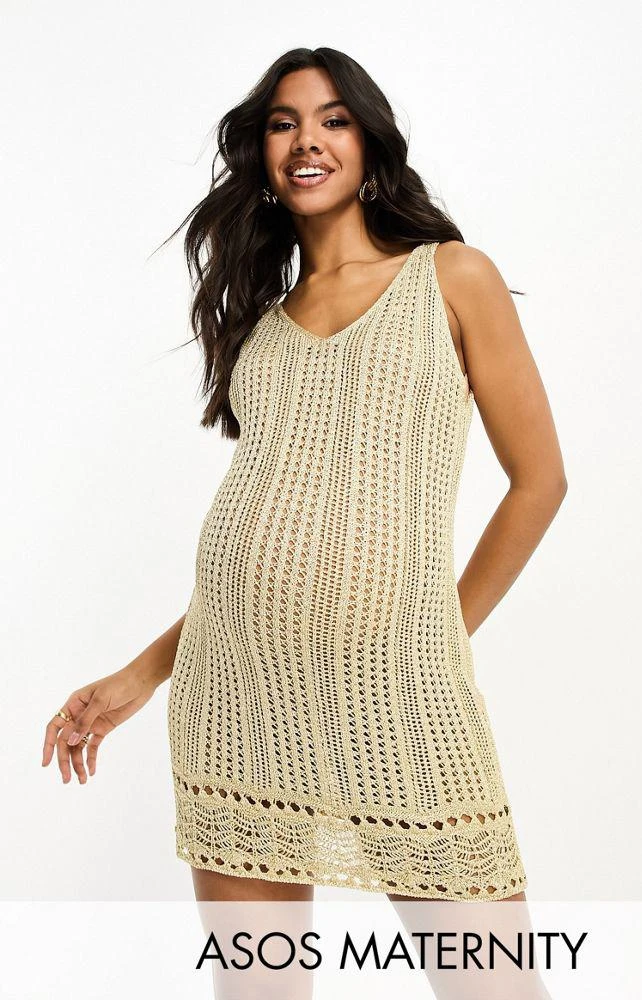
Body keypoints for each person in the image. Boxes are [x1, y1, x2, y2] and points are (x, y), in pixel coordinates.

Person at [43, 47, 566, 998]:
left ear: (369, 144)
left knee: (493, 985)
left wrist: (436, 635)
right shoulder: (261, 324)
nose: (307, 141)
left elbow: (540, 482)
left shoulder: (452, 277)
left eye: (333, 120)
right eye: (284, 123)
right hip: (235, 699)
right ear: (262, 154)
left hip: (401, 696)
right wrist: (137, 677)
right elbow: (270, 531)